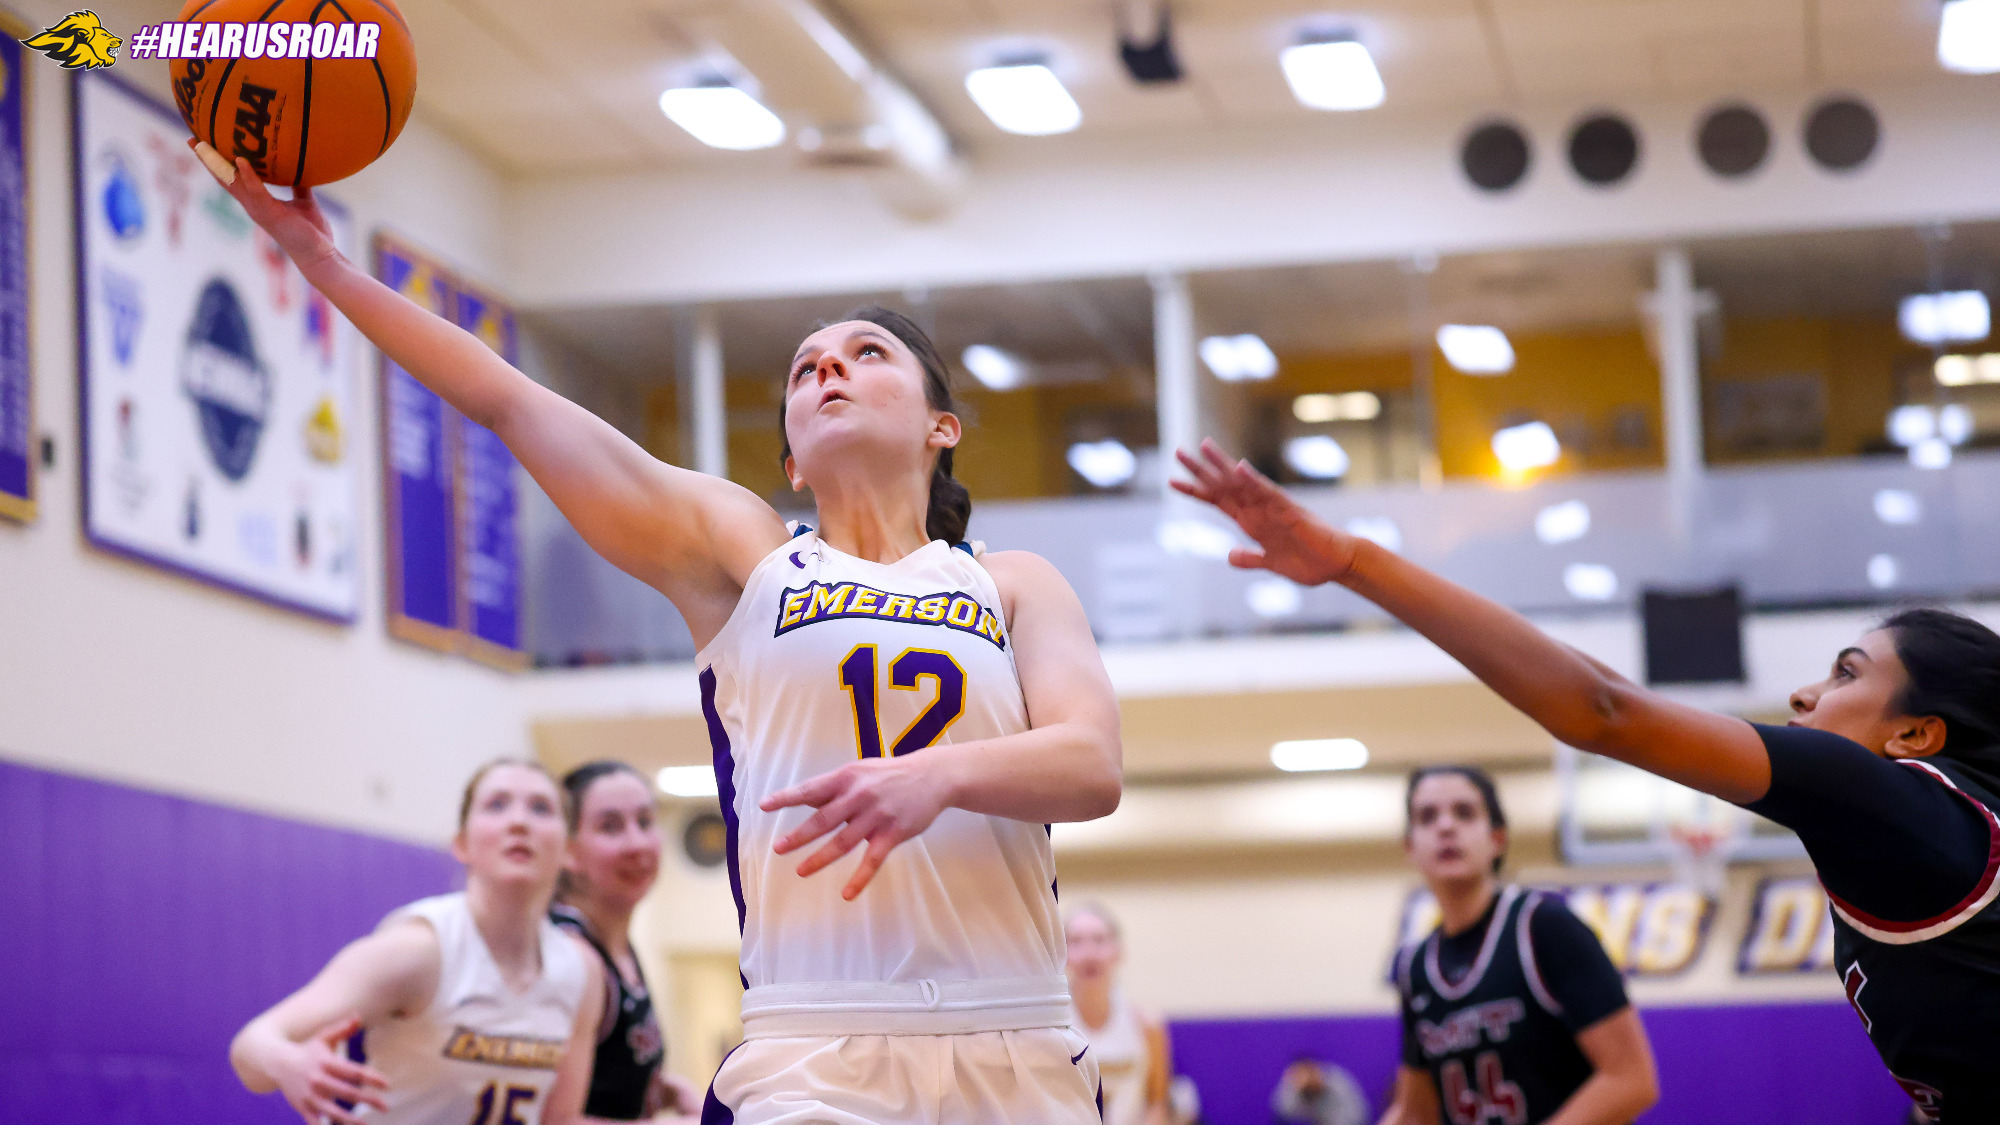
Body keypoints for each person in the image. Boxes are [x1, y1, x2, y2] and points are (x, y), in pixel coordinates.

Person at [196, 144, 1122, 1125]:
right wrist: (324, 264)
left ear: (942, 428)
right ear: (792, 462)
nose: (828, 370)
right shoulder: (747, 557)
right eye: (805, 369)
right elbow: (509, 402)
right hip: (816, 1047)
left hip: (1017, 1034)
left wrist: (936, 774)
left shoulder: (1011, 583)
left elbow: (1092, 765)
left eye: (866, 354)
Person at [1175, 439, 2000, 1123]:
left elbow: (1602, 711)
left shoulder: (1895, 802)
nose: (1804, 694)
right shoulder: (1928, 833)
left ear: (1915, 733)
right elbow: (1616, 697)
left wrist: (1356, 562)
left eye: (1845, 673)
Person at [229, 760, 602, 1125]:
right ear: (462, 844)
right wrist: (291, 1064)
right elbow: (250, 1046)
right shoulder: (419, 952)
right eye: (497, 805)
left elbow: (561, 1119)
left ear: (570, 851)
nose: (519, 821)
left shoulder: (581, 970)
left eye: (540, 807)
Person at [1383, 766, 1657, 1125]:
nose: (1446, 826)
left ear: (1497, 838)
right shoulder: (1414, 966)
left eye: (1464, 812)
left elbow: (1632, 1080)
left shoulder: (1545, 927)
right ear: (1410, 847)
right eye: (1427, 816)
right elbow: (1416, 1113)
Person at [552, 761, 700, 1121]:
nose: (636, 844)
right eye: (610, 826)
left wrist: (664, 1089)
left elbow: (601, 1076)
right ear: (568, 849)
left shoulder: (616, 944)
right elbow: (553, 1119)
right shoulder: (569, 955)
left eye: (645, 822)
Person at [1064, 904, 1173, 1125]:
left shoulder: (1147, 1024)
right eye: (1076, 941)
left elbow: (1157, 1103)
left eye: (1099, 940)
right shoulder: (1050, 1028)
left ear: (1119, 951)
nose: (1089, 954)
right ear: (1060, 954)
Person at [1271, 1057, 1369, 1125]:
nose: (1305, 1079)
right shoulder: (1294, 1086)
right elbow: (1281, 1111)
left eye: (1307, 1073)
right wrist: (1295, 1091)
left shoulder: (1336, 1082)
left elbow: (1358, 1117)